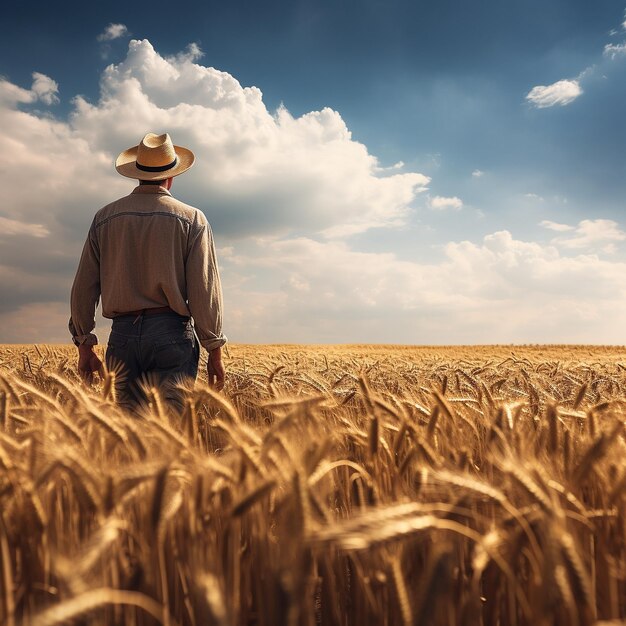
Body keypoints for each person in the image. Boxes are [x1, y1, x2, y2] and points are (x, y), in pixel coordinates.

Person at [68, 132, 226, 412]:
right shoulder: (192, 219)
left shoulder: (104, 218)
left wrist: (84, 343)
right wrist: (214, 348)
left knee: (126, 435)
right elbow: (204, 289)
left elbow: (84, 286)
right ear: (172, 176)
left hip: (122, 335)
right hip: (171, 333)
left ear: (136, 173)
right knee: (171, 430)